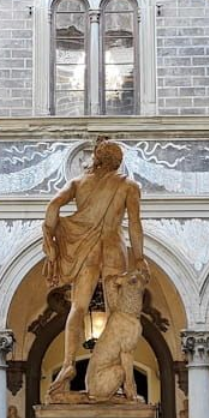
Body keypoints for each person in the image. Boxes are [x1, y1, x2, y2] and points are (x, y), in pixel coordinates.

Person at [41, 137, 146, 396]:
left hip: (85, 250)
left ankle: (67, 364)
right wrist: (140, 257)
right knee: (115, 313)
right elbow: (134, 224)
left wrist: (51, 240)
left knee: (77, 307)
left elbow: (53, 206)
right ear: (118, 162)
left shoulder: (78, 183)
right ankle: (122, 379)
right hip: (113, 249)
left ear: (96, 159)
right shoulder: (129, 186)